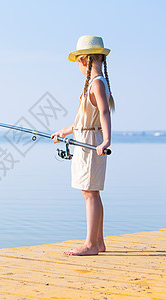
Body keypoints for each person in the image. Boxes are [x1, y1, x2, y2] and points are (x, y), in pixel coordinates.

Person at [51, 35, 115, 256]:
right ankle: (98, 242)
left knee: (90, 193)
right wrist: (64, 131)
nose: (78, 65)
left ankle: (90, 244)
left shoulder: (97, 83)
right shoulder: (94, 83)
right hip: (86, 140)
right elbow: (83, 122)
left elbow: (105, 113)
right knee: (91, 192)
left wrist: (107, 140)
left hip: (92, 144)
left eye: (78, 60)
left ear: (85, 60)